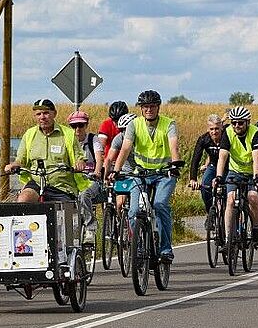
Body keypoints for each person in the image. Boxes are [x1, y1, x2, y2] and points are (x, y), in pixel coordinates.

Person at [109, 90, 181, 263]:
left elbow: (173, 146)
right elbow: (126, 148)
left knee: (159, 205)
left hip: (164, 173)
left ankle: (165, 249)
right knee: (134, 211)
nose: (149, 109)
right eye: (145, 106)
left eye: (152, 106)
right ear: (141, 108)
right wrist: (116, 170)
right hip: (140, 174)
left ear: (158, 107)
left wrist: (175, 164)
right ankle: (139, 246)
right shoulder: (134, 125)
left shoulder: (169, 124)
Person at [3, 99, 88, 203]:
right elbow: (21, 159)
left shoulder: (68, 134)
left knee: (62, 211)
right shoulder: (29, 134)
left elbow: (79, 157)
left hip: (62, 186)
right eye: (38, 114)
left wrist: (80, 163)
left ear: (54, 113)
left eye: (46, 113)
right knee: (24, 199)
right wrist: (14, 165)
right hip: (36, 183)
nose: (42, 117)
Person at [215, 105, 258, 247]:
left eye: (240, 123)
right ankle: (228, 237)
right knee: (230, 200)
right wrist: (219, 177)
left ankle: (256, 228)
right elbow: (222, 156)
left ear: (247, 122)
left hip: (251, 172)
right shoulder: (228, 132)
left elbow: (256, 157)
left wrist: (256, 177)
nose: (237, 125)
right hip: (235, 171)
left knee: (252, 197)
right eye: (234, 122)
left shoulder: (255, 133)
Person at [69, 110, 105, 243]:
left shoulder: (92, 139)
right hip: (74, 180)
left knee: (84, 195)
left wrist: (97, 172)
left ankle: (90, 227)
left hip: (91, 179)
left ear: (86, 125)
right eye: (74, 126)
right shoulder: (68, 141)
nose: (77, 129)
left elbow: (99, 158)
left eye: (81, 125)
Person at [188, 114, 225, 229]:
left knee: (228, 190)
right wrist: (193, 179)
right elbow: (195, 159)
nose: (214, 132)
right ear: (208, 129)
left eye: (217, 129)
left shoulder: (227, 137)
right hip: (213, 166)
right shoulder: (204, 139)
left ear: (221, 127)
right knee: (205, 186)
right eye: (211, 129)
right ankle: (211, 214)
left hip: (228, 167)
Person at [103, 113, 137, 212]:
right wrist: (105, 175)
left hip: (141, 172)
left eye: (127, 130)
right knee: (120, 203)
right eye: (122, 130)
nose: (125, 133)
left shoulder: (143, 138)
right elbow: (109, 159)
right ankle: (121, 220)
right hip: (126, 172)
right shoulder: (119, 138)